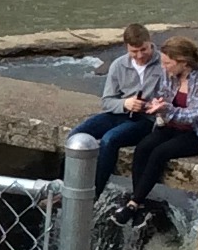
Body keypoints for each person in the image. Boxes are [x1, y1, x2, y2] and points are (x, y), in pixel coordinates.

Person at [115, 36, 198, 225]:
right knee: (143, 148)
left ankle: (133, 204)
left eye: (167, 63)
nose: (164, 67)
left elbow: (194, 114)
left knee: (159, 153)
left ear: (183, 62)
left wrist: (166, 109)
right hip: (170, 126)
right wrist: (156, 103)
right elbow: (163, 95)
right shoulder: (169, 74)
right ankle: (140, 203)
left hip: (195, 133)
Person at [71, 24, 165, 198]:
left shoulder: (164, 64)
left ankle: (93, 193)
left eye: (143, 50)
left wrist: (151, 106)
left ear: (150, 43)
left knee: (109, 140)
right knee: (76, 134)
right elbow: (107, 101)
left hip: (145, 120)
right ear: (126, 48)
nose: (139, 55)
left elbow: (170, 97)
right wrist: (125, 103)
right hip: (119, 113)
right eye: (134, 51)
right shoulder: (118, 65)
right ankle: (66, 183)